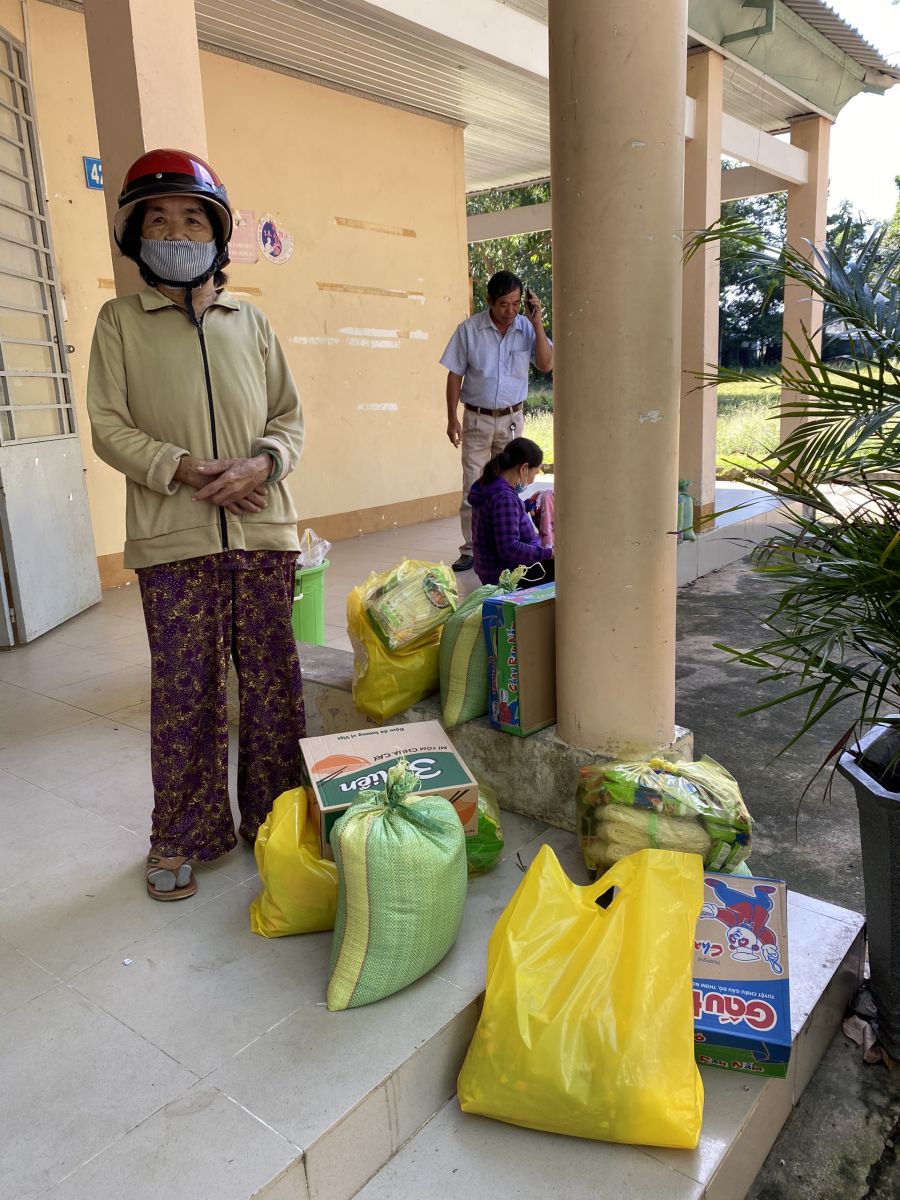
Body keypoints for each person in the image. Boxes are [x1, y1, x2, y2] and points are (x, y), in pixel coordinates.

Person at [87, 149, 305, 902]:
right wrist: (181, 467)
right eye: (158, 220)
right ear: (135, 236)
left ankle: (278, 819)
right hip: (172, 542)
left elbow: (290, 418)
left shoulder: (253, 321)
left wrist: (262, 465)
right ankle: (183, 833)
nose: (175, 232)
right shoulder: (119, 322)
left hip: (262, 531)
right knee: (187, 690)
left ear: (216, 234)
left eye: (191, 219)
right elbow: (108, 426)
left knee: (274, 686)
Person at [440, 270, 553, 572]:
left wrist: (537, 322)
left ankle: (510, 543)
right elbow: (454, 374)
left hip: (511, 418)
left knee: (511, 485)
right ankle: (472, 549)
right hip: (477, 418)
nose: (510, 310)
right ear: (489, 300)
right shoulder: (469, 330)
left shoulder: (526, 328)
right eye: (504, 304)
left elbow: (546, 364)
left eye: (516, 303)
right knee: (474, 485)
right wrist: (452, 418)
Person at [468, 437, 554, 586]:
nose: (533, 479)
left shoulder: (489, 484)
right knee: (567, 566)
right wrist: (547, 554)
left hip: (491, 569)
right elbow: (509, 548)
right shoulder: (504, 498)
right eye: (535, 472)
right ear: (524, 468)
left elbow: (501, 520)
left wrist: (525, 506)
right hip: (506, 576)